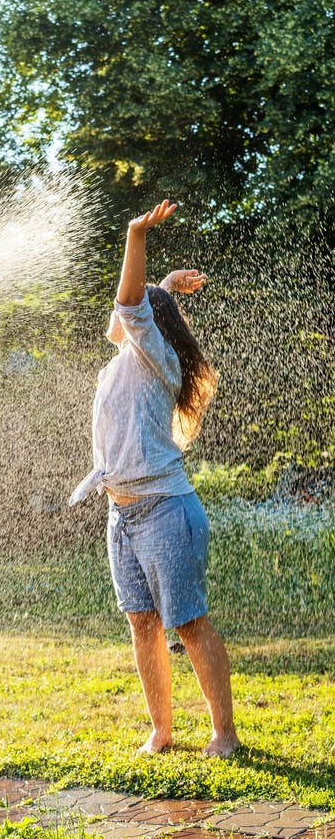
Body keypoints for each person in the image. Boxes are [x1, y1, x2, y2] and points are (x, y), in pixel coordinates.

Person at [69, 199, 239, 758]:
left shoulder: (157, 357)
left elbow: (130, 303)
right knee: (143, 622)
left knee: (188, 623)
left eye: (139, 309)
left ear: (149, 322)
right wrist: (163, 281)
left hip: (166, 508)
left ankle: (225, 735)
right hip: (121, 511)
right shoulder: (128, 354)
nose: (120, 316)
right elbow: (131, 309)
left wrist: (135, 235)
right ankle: (161, 731)